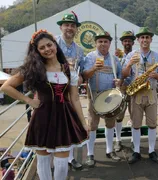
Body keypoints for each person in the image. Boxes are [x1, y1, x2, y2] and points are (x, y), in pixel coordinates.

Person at [0, 30, 88, 180]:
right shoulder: (34, 69)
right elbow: (6, 87)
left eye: (49, 45)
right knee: (43, 159)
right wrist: (29, 101)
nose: (47, 49)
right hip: (43, 116)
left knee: (61, 162)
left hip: (64, 117)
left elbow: (75, 98)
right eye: (42, 48)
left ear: (55, 45)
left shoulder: (68, 68)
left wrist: (83, 122)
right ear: (37, 51)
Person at [122, 27, 158, 164]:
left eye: (147, 37)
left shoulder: (157, 57)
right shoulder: (131, 55)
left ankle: (152, 150)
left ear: (151, 39)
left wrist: (156, 75)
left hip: (151, 93)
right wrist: (129, 64)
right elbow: (123, 74)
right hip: (136, 93)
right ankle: (136, 151)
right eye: (142, 37)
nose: (144, 40)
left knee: (152, 124)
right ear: (138, 40)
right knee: (136, 124)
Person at [83, 31, 122, 166]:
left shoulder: (114, 59)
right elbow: (85, 75)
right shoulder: (90, 57)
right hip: (94, 95)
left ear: (109, 43)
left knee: (110, 124)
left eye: (105, 41)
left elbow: (121, 76)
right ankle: (90, 154)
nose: (103, 44)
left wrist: (119, 81)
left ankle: (110, 150)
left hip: (110, 97)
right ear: (96, 43)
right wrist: (94, 68)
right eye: (100, 41)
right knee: (92, 125)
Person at [56, 11, 85, 170]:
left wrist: (81, 78)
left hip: (71, 93)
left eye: (73, 25)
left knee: (72, 123)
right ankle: (55, 157)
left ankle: (70, 158)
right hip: (53, 92)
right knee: (54, 124)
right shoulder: (52, 43)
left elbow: (82, 71)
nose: (69, 28)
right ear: (61, 27)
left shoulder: (79, 51)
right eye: (66, 25)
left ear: (76, 29)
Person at [114, 30, 135, 152]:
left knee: (134, 116)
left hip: (133, 88)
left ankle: (133, 140)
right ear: (122, 42)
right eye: (125, 40)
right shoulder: (118, 57)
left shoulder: (136, 55)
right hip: (121, 88)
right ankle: (118, 140)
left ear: (133, 42)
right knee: (119, 116)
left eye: (129, 40)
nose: (127, 42)